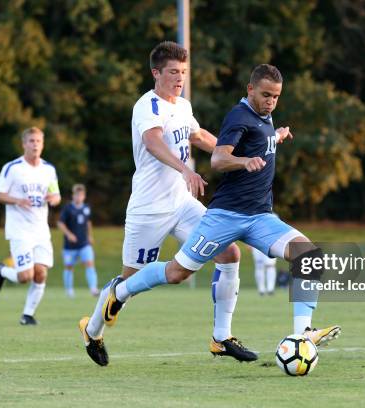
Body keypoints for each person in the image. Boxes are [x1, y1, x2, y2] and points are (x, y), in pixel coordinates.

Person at [102, 64, 341, 360]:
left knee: (308, 255)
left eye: (276, 96)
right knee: (177, 272)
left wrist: (275, 137)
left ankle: (303, 333)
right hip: (225, 216)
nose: (271, 101)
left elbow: (252, 142)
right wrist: (243, 162)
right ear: (250, 89)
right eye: (265, 95)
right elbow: (218, 158)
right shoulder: (239, 116)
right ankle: (120, 292)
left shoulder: (263, 116)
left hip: (260, 217)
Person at [78, 41, 246, 366]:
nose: (179, 78)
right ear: (156, 73)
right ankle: (92, 330)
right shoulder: (147, 106)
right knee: (129, 283)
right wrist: (185, 169)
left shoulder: (183, 106)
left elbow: (199, 137)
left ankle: (221, 338)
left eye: (183, 72)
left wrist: (236, 156)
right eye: (172, 72)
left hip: (182, 205)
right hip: (149, 209)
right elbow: (152, 141)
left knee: (229, 251)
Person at [0, 127, 61, 324]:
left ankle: (27, 315)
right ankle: (2, 271)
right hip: (20, 230)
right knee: (25, 276)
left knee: (41, 273)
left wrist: (53, 199)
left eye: (38, 141)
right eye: (31, 141)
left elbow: (56, 195)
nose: (35, 144)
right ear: (24, 144)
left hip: (41, 230)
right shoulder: (13, 168)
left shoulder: (49, 169)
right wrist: (17, 200)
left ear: (43, 144)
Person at [57, 184, 99, 297]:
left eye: (80, 195)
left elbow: (88, 222)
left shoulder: (86, 208)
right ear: (73, 195)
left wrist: (90, 235)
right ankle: (69, 291)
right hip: (70, 246)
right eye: (76, 195)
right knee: (69, 266)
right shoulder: (68, 208)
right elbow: (60, 223)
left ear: (84, 196)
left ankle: (93, 289)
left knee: (90, 264)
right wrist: (69, 234)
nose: (78, 197)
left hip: (84, 243)